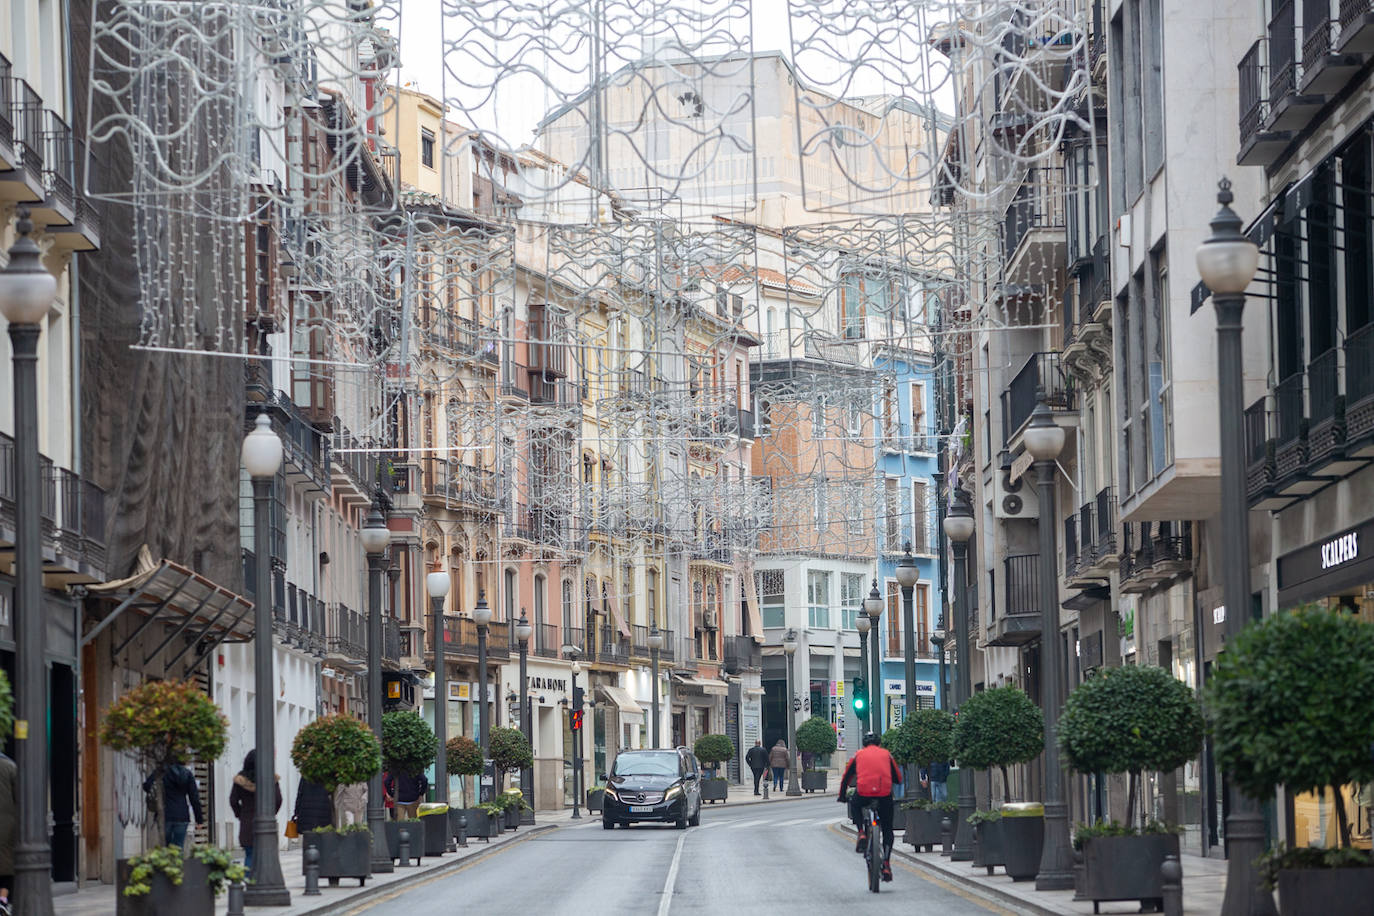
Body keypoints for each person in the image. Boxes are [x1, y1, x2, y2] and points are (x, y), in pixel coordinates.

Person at [836, 732, 903, 883]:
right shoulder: (887, 755)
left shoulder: (858, 755)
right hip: (884, 795)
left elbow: (846, 777)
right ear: (879, 744)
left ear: (864, 744)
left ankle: (861, 832)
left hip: (864, 793)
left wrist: (842, 796)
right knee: (887, 829)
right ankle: (886, 863)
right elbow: (898, 778)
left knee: (855, 803)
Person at [228, 749, 281, 871]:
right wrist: (271, 814)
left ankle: (249, 883)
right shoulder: (270, 779)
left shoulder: (240, 780)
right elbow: (278, 800)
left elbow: (233, 800)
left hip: (247, 822)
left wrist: (240, 814)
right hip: (266, 822)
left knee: (250, 855)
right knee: (266, 856)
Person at [143, 762, 203, 849]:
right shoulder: (187, 774)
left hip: (164, 814)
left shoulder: (161, 771)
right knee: (178, 847)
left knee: (165, 848)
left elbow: (147, 786)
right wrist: (199, 819)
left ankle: (168, 861)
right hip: (182, 815)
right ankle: (177, 862)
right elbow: (194, 798)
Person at [0, 750, 15, 915]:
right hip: (7, 825)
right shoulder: (10, 766)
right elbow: (20, 798)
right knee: (6, 865)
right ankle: (2, 900)